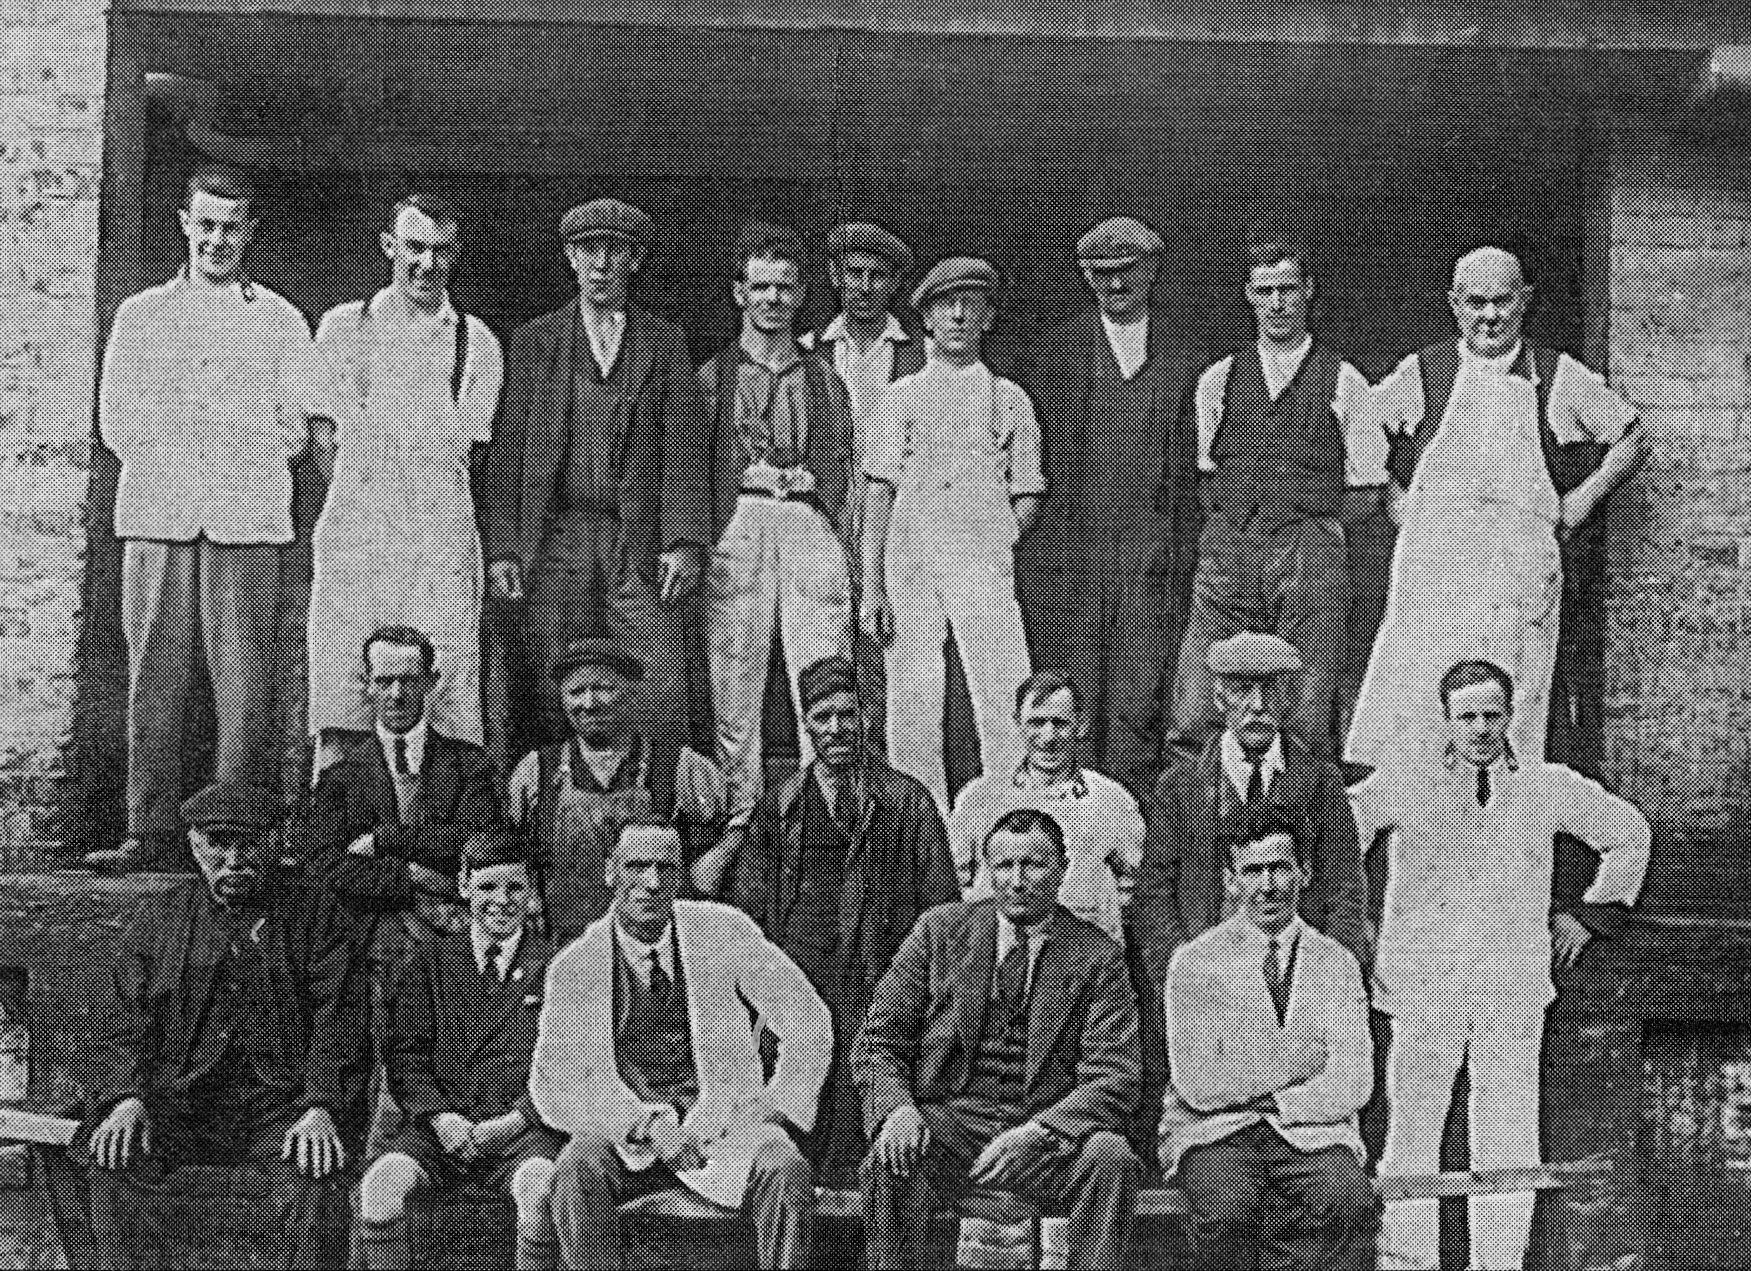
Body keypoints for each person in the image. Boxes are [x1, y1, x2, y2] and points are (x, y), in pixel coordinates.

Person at [1350, 659, 1651, 1271]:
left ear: (1512, 714)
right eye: (1469, 716)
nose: (1484, 728)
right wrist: (1365, 923)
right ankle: (1409, 1262)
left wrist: (1586, 915)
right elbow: (1332, 837)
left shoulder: (1547, 787)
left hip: (1511, 986)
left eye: (1494, 714)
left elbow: (1629, 832)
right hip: (1421, 984)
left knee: (1508, 1141)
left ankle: (1500, 1262)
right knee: (1412, 1138)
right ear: (1445, 721)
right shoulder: (1403, 785)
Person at [92, 165, 320, 871]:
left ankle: (237, 835)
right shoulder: (142, 315)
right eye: (207, 225)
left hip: (245, 521)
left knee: (244, 687)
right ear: (184, 225)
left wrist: (232, 464)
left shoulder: (279, 319)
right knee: (153, 681)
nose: (218, 240)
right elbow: (118, 423)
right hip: (159, 516)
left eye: (232, 227)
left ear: (250, 233)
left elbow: (295, 431)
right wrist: (185, 462)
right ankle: (151, 828)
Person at [1346, 247, 1647, 770]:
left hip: (1516, 571)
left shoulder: (1556, 374)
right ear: (1455, 304)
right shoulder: (1425, 372)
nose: (1489, 316)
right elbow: (1360, 424)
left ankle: (1506, 836)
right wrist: (1394, 501)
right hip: (1435, 568)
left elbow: (1632, 435)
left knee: (1510, 702)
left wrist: (1578, 503)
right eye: (1475, 302)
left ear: (1525, 302)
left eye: (1502, 302)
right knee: (1418, 702)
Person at [84, 782, 371, 1269]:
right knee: (115, 1157)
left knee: (316, 1176)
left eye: (250, 844)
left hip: (278, 1105)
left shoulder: (316, 913)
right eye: (219, 843)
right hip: (181, 1102)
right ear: (195, 844)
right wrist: (128, 1097)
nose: (234, 860)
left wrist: (321, 1105)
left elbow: (338, 1018)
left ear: (277, 843)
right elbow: (121, 1020)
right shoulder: (158, 919)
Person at [530, 823, 830, 1271]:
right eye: (636, 867)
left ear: (680, 875)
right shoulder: (575, 967)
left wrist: (777, 1103)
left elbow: (809, 1018)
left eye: (665, 868)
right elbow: (554, 1086)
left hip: (723, 1129)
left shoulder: (722, 932)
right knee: (577, 1166)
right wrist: (643, 1126)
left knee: (784, 1165)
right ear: (610, 872)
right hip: (628, 1140)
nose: (651, 883)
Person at [853, 808, 1142, 1271]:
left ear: (1063, 868)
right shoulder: (940, 932)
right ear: (987, 870)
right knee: (891, 1158)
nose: (1018, 880)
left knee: (1111, 1157)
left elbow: (1116, 1074)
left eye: (1034, 865)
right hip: (953, 1124)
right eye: (1004, 866)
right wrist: (898, 1110)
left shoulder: (1096, 954)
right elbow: (877, 1042)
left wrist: (1037, 1132)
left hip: (1047, 1134)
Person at [482, 198, 710, 759]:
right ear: (570, 256)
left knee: (650, 668)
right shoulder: (535, 342)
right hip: (556, 533)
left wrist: (682, 542)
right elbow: (510, 454)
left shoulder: (664, 341)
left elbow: (683, 448)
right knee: (551, 666)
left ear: (633, 260)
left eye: (617, 251)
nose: (602, 263)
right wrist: (507, 548)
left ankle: (654, 807)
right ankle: (548, 808)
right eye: (590, 250)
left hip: (636, 536)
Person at [729, 655, 960, 1180]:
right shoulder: (780, 804)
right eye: (822, 717)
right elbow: (748, 908)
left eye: (848, 715)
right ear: (806, 722)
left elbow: (942, 906)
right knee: (804, 1105)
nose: (836, 730)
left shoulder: (908, 800)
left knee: (877, 1098)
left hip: (886, 974)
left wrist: (925, 984)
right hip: (802, 978)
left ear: (867, 716)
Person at [1170, 237, 1387, 764]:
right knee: (1199, 700)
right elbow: (1203, 473)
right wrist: (1237, 529)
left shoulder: (1344, 379)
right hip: (1231, 549)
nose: (1276, 304)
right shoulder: (1219, 379)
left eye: (1287, 289)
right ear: (1248, 294)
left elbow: (1368, 487)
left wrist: (1315, 533)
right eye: (1264, 291)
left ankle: (1302, 818)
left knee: (1306, 700)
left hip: (1310, 552)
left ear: (1308, 292)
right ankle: (1208, 814)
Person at [307, 194, 502, 754]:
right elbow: (323, 438)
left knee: (447, 694)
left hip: (439, 537)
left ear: (455, 256)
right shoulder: (344, 327)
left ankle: (435, 825)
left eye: (440, 251)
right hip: (359, 530)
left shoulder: (476, 341)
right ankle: (339, 818)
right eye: (414, 247)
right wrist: (346, 518)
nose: (427, 264)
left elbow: (474, 453)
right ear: (390, 247)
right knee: (345, 690)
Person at [1020, 217, 1204, 794]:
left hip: (1155, 559)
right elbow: (1036, 471)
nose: (1114, 285)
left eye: (1127, 272)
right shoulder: (1057, 357)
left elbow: (1195, 477)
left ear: (1151, 273)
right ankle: (1075, 840)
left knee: (1144, 696)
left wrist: (1180, 559)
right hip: (1075, 560)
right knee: (1075, 699)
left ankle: (1140, 847)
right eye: (1100, 274)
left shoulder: (1186, 357)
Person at [861, 258, 1042, 812]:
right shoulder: (900, 397)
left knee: (1002, 689)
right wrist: (873, 585)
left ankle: (1014, 827)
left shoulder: (1007, 396)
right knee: (913, 703)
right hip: (910, 559)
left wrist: (990, 536)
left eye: (972, 307)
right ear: (927, 317)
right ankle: (926, 830)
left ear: (988, 318)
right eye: (947, 306)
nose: (959, 317)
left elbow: (1027, 492)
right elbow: (877, 492)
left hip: (982, 557)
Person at [1161, 812, 1378, 1271]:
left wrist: (1267, 1097)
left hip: (1314, 1134)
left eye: (1279, 868)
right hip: (1217, 1135)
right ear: (1230, 879)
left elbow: (1354, 1083)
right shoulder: (1195, 962)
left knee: (1347, 1199)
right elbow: (1198, 1085)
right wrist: (1297, 1065)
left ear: (1304, 872)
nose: (1268, 886)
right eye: (1252, 871)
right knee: (1227, 1208)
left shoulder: (1335, 962)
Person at [699, 225, 855, 824]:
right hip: (738, 518)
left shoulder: (822, 377)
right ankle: (740, 818)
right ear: (740, 293)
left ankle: (834, 809)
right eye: (760, 287)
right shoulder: (714, 374)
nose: (772, 300)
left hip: (809, 524)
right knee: (734, 678)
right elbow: (698, 464)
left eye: (784, 288)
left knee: (821, 671)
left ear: (798, 297)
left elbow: (841, 465)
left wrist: (834, 528)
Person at [358, 829, 564, 1271]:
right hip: (440, 1129)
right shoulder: (429, 961)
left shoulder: (555, 967)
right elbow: (406, 1055)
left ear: (531, 895)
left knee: (541, 1188)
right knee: (381, 1185)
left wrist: (513, 1122)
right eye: (487, 886)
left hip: (521, 1131)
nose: (501, 901)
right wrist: (441, 1118)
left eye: (515, 888)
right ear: (465, 886)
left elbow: (567, 1065)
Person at [507, 637, 731, 942]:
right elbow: (512, 846)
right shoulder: (537, 770)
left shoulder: (677, 765)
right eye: (576, 692)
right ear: (562, 698)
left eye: (603, 689)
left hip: (654, 943)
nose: (589, 703)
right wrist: (530, 891)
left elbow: (734, 820)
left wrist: (709, 867)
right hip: (565, 942)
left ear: (630, 691)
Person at [808, 222, 927, 747]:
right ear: (835, 277)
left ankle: (883, 764)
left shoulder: (921, 355)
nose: (863, 287)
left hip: (897, 510)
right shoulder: (807, 349)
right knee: (827, 635)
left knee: (890, 638)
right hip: (825, 506)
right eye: (852, 274)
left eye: (876, 276)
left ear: (895, 283)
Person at [307, 625, 502, 934]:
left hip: (453, 934)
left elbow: (479, 842)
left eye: (409, 681)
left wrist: (385, 840)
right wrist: (411, 876)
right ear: (368, 686)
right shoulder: (339, 778)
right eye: (385, 682)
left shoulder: (470, 765)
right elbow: (324, 867)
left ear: (430, 683)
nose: (397, 695)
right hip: (365, 936)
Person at [949, 671, 1145, 946]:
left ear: (1082, 725)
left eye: (1060, 723)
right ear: (1018, 724)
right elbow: (955, 883)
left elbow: (1137, 885)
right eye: (1036, 722)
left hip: (1083, 961)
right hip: (998, 957)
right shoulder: (980, 797)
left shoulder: (1110, 799)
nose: (1048, 736)